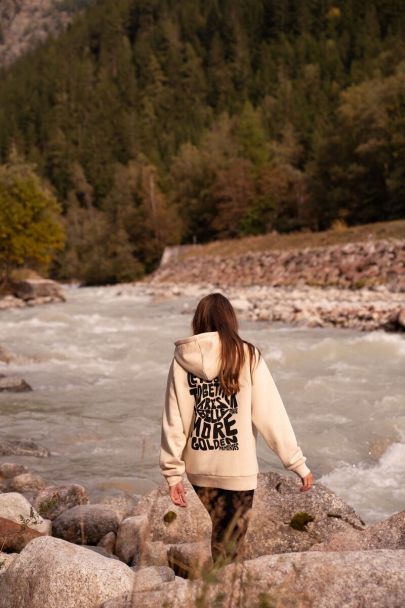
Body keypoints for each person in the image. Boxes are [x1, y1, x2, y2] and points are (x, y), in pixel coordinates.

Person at [159, 292, 313, 567]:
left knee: (223, 535)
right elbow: (270, 414)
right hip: (237, 469)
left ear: (198, 321)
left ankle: (219, 589)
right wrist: (296, 462)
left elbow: (174, 418)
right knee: (230, 542)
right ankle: (224, 592)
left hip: (199, 469)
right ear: (230, 320)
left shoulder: (182, 359)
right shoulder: (247, 354)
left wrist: (173, 473)